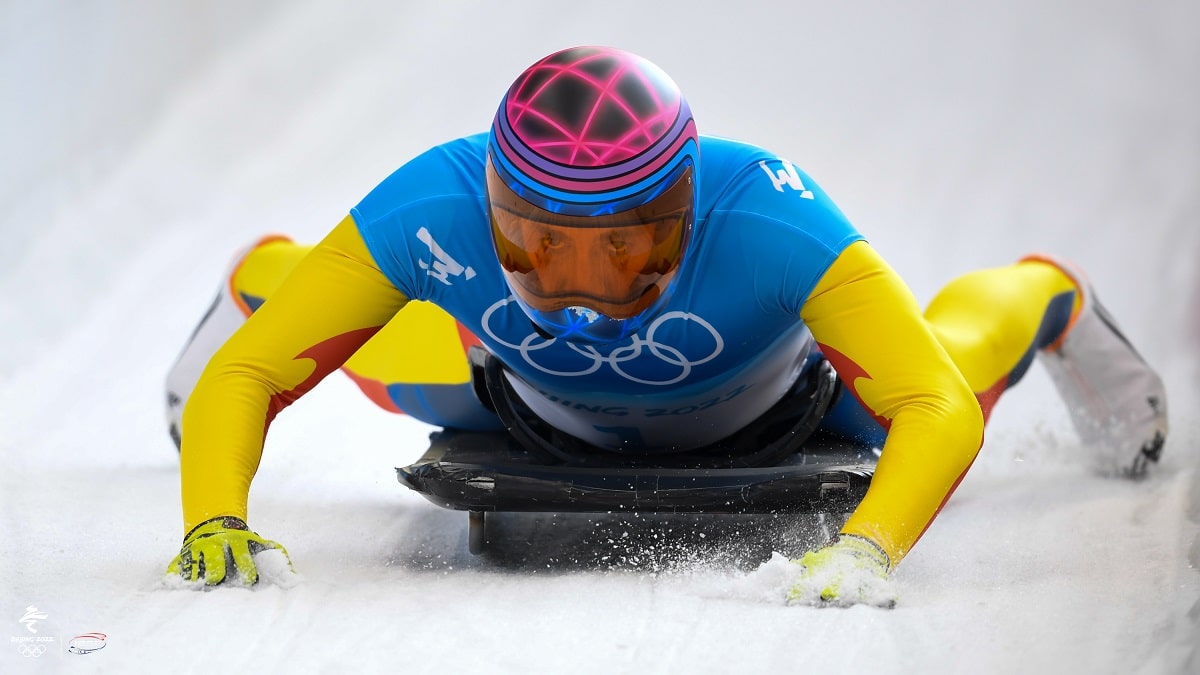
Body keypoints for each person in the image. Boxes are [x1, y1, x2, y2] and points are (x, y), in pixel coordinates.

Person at [164, 45, 1169, 604]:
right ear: (493, 200)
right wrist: (212, 517)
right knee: (337, 334)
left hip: (787, 406)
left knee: (952, 355)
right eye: (539, 245)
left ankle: (1045, 291)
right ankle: (270, 272)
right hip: (524, 396)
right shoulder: (426, 202)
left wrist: (871, 546)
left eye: (624, 246)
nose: (582, 295)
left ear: (686, 205)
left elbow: (935, 402)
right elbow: (247, 373)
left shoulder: (774, 213)